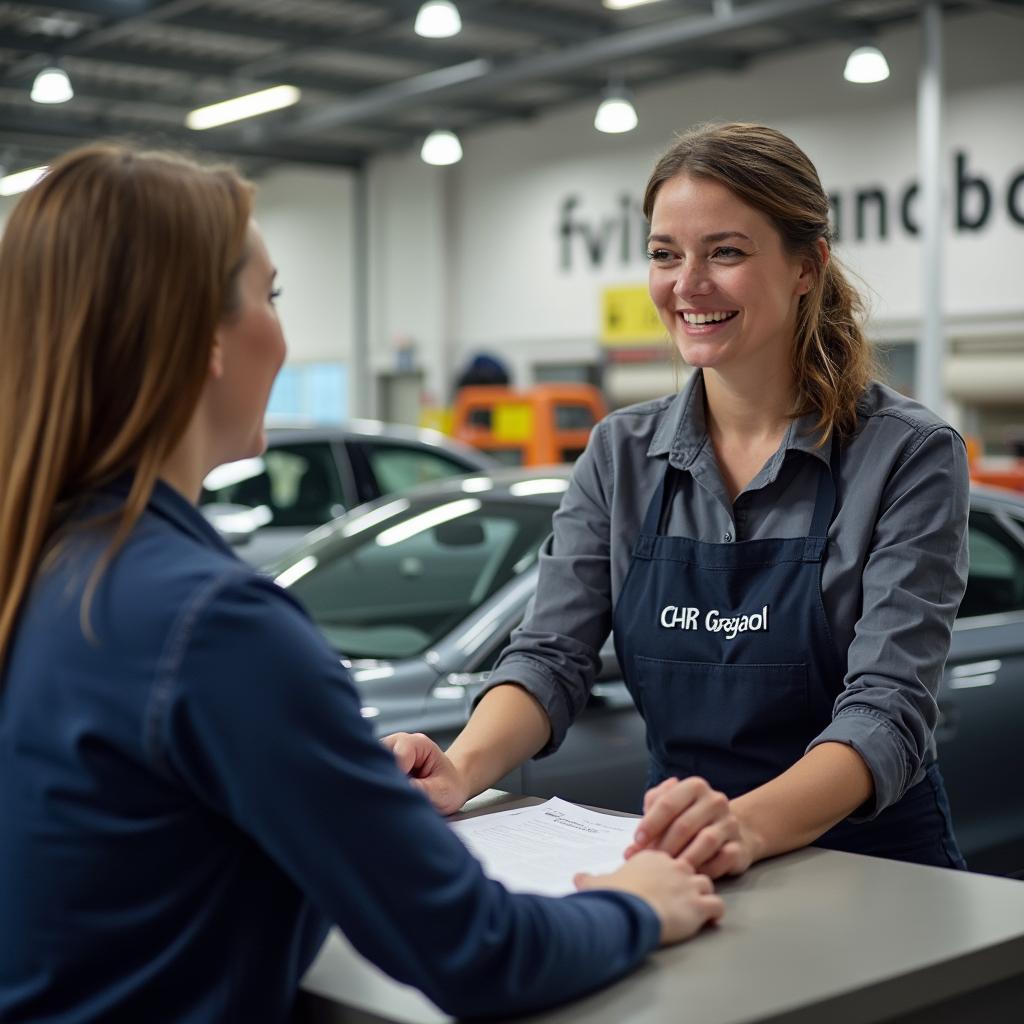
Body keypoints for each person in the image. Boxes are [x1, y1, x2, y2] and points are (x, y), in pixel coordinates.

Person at [0, 145, 724, 1023]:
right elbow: (478, 951)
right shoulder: (214, 626)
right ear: (205, 342)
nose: (283, 333)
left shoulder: (49, 566)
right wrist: (639, 902)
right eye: (269, 298)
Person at [387, 122, 969, 877]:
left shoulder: (906, 455)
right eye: (665, 255)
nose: (687, 284)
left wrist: (741, 827)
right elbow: (549, 658)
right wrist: (461, 771)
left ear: (807, 266)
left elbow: (886, 711)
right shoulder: (620, 454)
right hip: (680, 859)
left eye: (725, 252)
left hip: (871, 870)